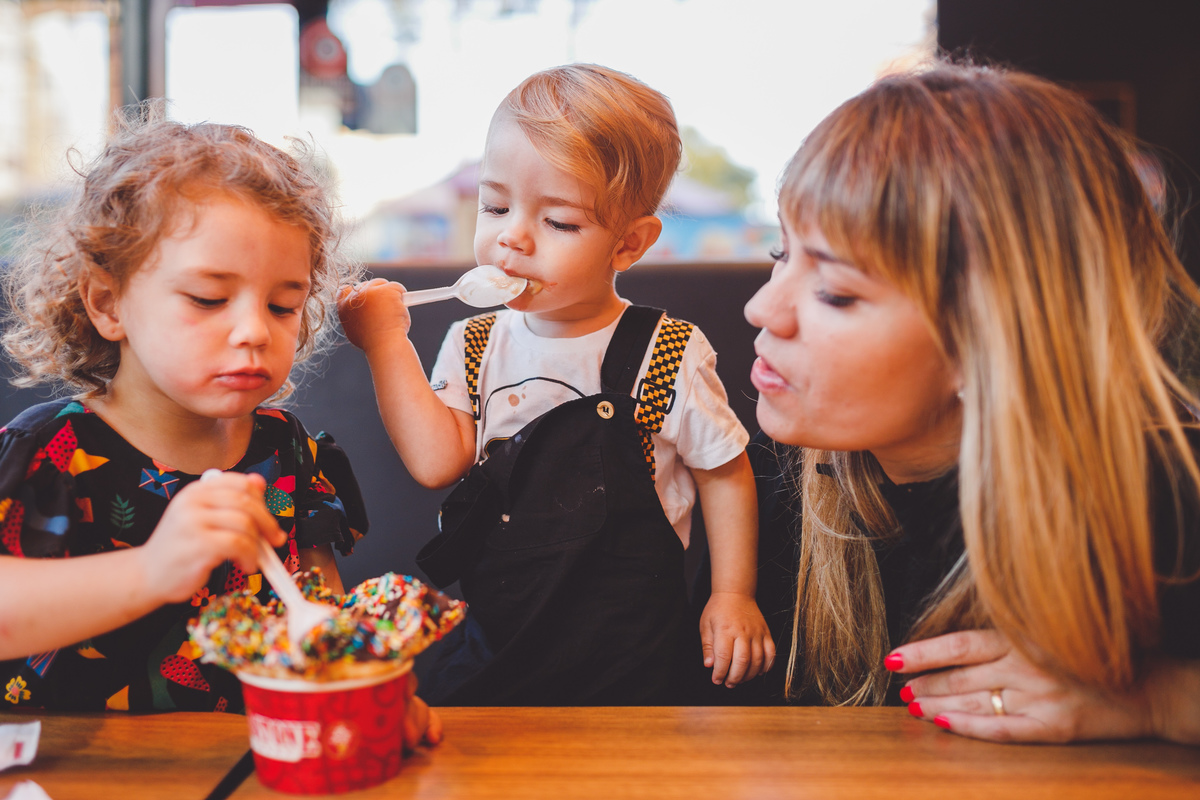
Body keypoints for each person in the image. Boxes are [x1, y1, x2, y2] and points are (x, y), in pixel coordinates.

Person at [736, 63, 1200, 743]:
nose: (762, 308)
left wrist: (1160, 700)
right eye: (781, 253)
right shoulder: (772, 485)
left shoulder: (1169, 495)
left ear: (990, 341)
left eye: (835, 292)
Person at [0, 109, 440, 745]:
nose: (255, 330)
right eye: (208, 299)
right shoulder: (51, 452)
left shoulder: (287, 452)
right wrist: (154, 569)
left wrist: (363, 693)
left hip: (254, 764)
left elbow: (318, 616)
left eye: (283, 305)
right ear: (107, 302)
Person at [338, 63, 773, 704]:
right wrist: (385, 345)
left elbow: (724, 471)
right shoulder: (476, 343)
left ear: (628, 244)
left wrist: (732, 593)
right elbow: (437, 462)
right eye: (495, 205)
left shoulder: (665, 352)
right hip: (499, 646)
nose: (512, 236)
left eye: (559, 223)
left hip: (632, 656)